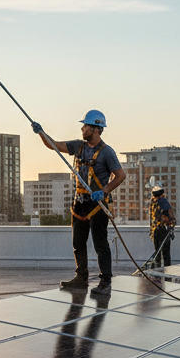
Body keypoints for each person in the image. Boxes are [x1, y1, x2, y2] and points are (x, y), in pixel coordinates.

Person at [31, 110, 124, 296]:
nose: (82, 128)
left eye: (86, 126)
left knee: (100, 244)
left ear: (96, 129)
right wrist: (41, 133)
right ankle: (81, 278)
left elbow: (121, 175)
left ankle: (105, 281)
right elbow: (54, 145)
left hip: (97, 205)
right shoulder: (78, 147)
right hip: (80, 204)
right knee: (78, 243)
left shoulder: (107, 152)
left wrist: (104, 191)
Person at [149, 180, 175, 268]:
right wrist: (171, 223)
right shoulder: (163, 201)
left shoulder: (152, 203)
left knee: (157, 254)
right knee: (166, 254)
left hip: (155, 231)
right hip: (163, 229)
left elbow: (152, 219)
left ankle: (158, 275)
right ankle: (167, 275)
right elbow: (170, 214)